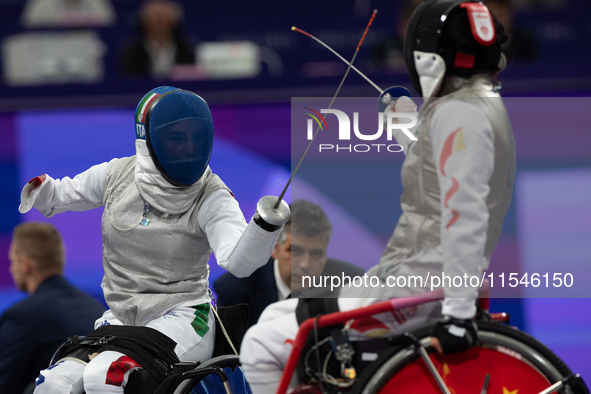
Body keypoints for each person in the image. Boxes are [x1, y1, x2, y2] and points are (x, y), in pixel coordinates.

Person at [240, 0, 515, 392]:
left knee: (259, 344)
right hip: (417, 279)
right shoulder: (476, 106)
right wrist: (404, 123)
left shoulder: (461, 115)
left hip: (421, 289)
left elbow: (464, 217)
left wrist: (456, 316)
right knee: (274, 316)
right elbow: (438, 171)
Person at [18, 86, 289, 394]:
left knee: (107, 377)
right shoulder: (117, 175)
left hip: (186, 318)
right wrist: (39, 191)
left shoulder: (212, 196)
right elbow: (60, 195)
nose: (189, 148)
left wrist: (264, 227)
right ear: (149, 140)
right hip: (121, 318)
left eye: (196, 137)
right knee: (53, 384)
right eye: (177, 138)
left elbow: (240, 262)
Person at [214, 199, 365, 327]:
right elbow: (228, 357)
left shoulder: (351, 283)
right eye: (294, 251)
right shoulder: (234, 290)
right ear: (275, 248)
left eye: (316, 254)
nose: (305, 264)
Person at [0, 222, 105, 394]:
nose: (11, 268)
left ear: (26, 264)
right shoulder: (96, 309)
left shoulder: (21, 316)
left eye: (12, 260)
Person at [119, 0, 195, 78]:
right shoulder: (133, 51)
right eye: (154, 21)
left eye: (162, 21)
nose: (159, 27)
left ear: (172, 23)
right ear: (145, 23)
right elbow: (129, 77)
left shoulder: (185, 48)